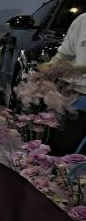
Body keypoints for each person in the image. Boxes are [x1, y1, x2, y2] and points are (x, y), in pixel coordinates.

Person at [43, 11, 86, 154]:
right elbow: (65, 53)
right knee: (62, 149)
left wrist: (80, 68)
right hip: (78, 96)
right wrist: (51, 67)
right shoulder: (82, 20)